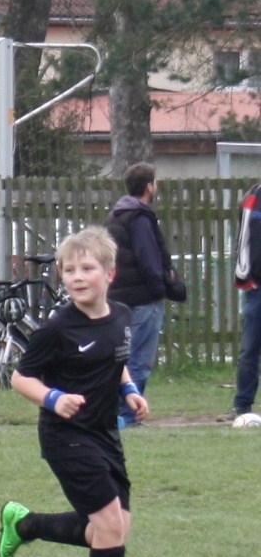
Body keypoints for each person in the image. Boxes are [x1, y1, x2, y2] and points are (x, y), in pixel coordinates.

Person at [0, 227, 154, 557]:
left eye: (87, 268)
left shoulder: (120, 316)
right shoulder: (57, 329)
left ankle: (25, 524)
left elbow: (116, 360)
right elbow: (20, 378)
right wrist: (53, 398)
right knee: (108, 525)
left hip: (104, 434)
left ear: (110, 274)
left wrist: (130, 390)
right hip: (65, 437)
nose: (77, 277)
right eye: (69, 270)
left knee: (114, 528)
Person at [104, 162, 184, 428]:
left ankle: (116, 414)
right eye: (155, 182)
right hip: (141, 299)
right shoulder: (139, 217)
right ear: (149, 186)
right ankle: (129, 416)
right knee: (138, 360)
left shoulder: (117, 215)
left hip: (118, 297)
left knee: (121, 358)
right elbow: (149, 259)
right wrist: (161, 290)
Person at [219, 180, 261, 422]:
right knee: (248, 350)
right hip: (257, 288)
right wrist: (245, 276)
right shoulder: (253, 197)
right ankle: (242, 405)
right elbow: (243, 239)